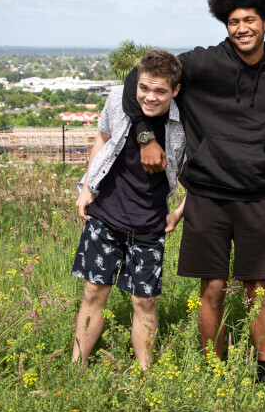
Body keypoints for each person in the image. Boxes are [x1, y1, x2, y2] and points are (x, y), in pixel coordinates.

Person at [122, 0, 265, 383]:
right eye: (234, 21)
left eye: (250, 20)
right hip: (205, 195)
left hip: (256, 196)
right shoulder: (202, 63)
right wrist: (146, 137)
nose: (242, 28)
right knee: (213, 288)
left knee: (260, 290)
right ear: (226, 24)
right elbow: (140, 78)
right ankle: (213, 373)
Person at [71, 49, 186, 369]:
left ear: (175, 91)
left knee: (145, 301)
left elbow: (205, 171)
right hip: (106, 214)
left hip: (151, 223)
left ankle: (146, 374)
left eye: (161, 91)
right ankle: (75, 369)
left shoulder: (183, 119)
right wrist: (86, 188)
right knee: (94, 294)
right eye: (144, 88)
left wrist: (180, 211)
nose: (150, 97)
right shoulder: (118, 100)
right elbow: (102, 139)